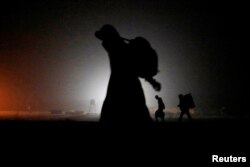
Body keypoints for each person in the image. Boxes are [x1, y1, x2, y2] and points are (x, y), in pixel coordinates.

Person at [95, 24, 153, 124]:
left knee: (110, 117)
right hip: (134, 88)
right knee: (140, 116)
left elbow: (99, 36)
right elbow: (139, 70)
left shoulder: (114, 47)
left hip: (116, 87)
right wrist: (153, 81)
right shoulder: (130, 50)